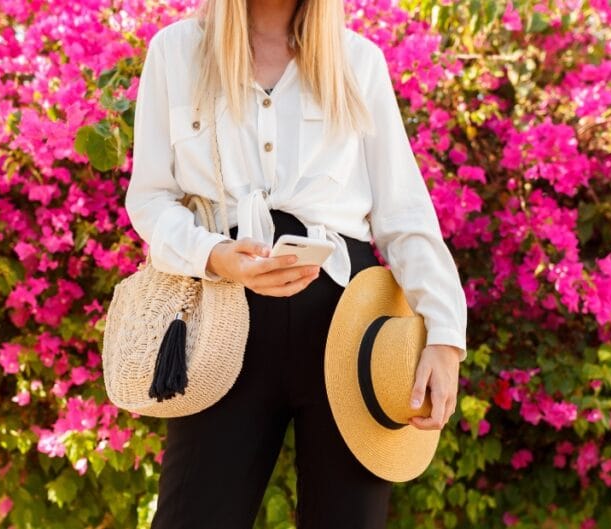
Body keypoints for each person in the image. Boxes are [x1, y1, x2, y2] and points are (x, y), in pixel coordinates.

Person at [124, 0, 468, 527]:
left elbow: (404, 214)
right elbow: (149, 199)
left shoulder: (358, 61)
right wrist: (213, 255)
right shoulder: (176, 53)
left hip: (349, 326)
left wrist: (445, 337)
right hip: (221, 318)